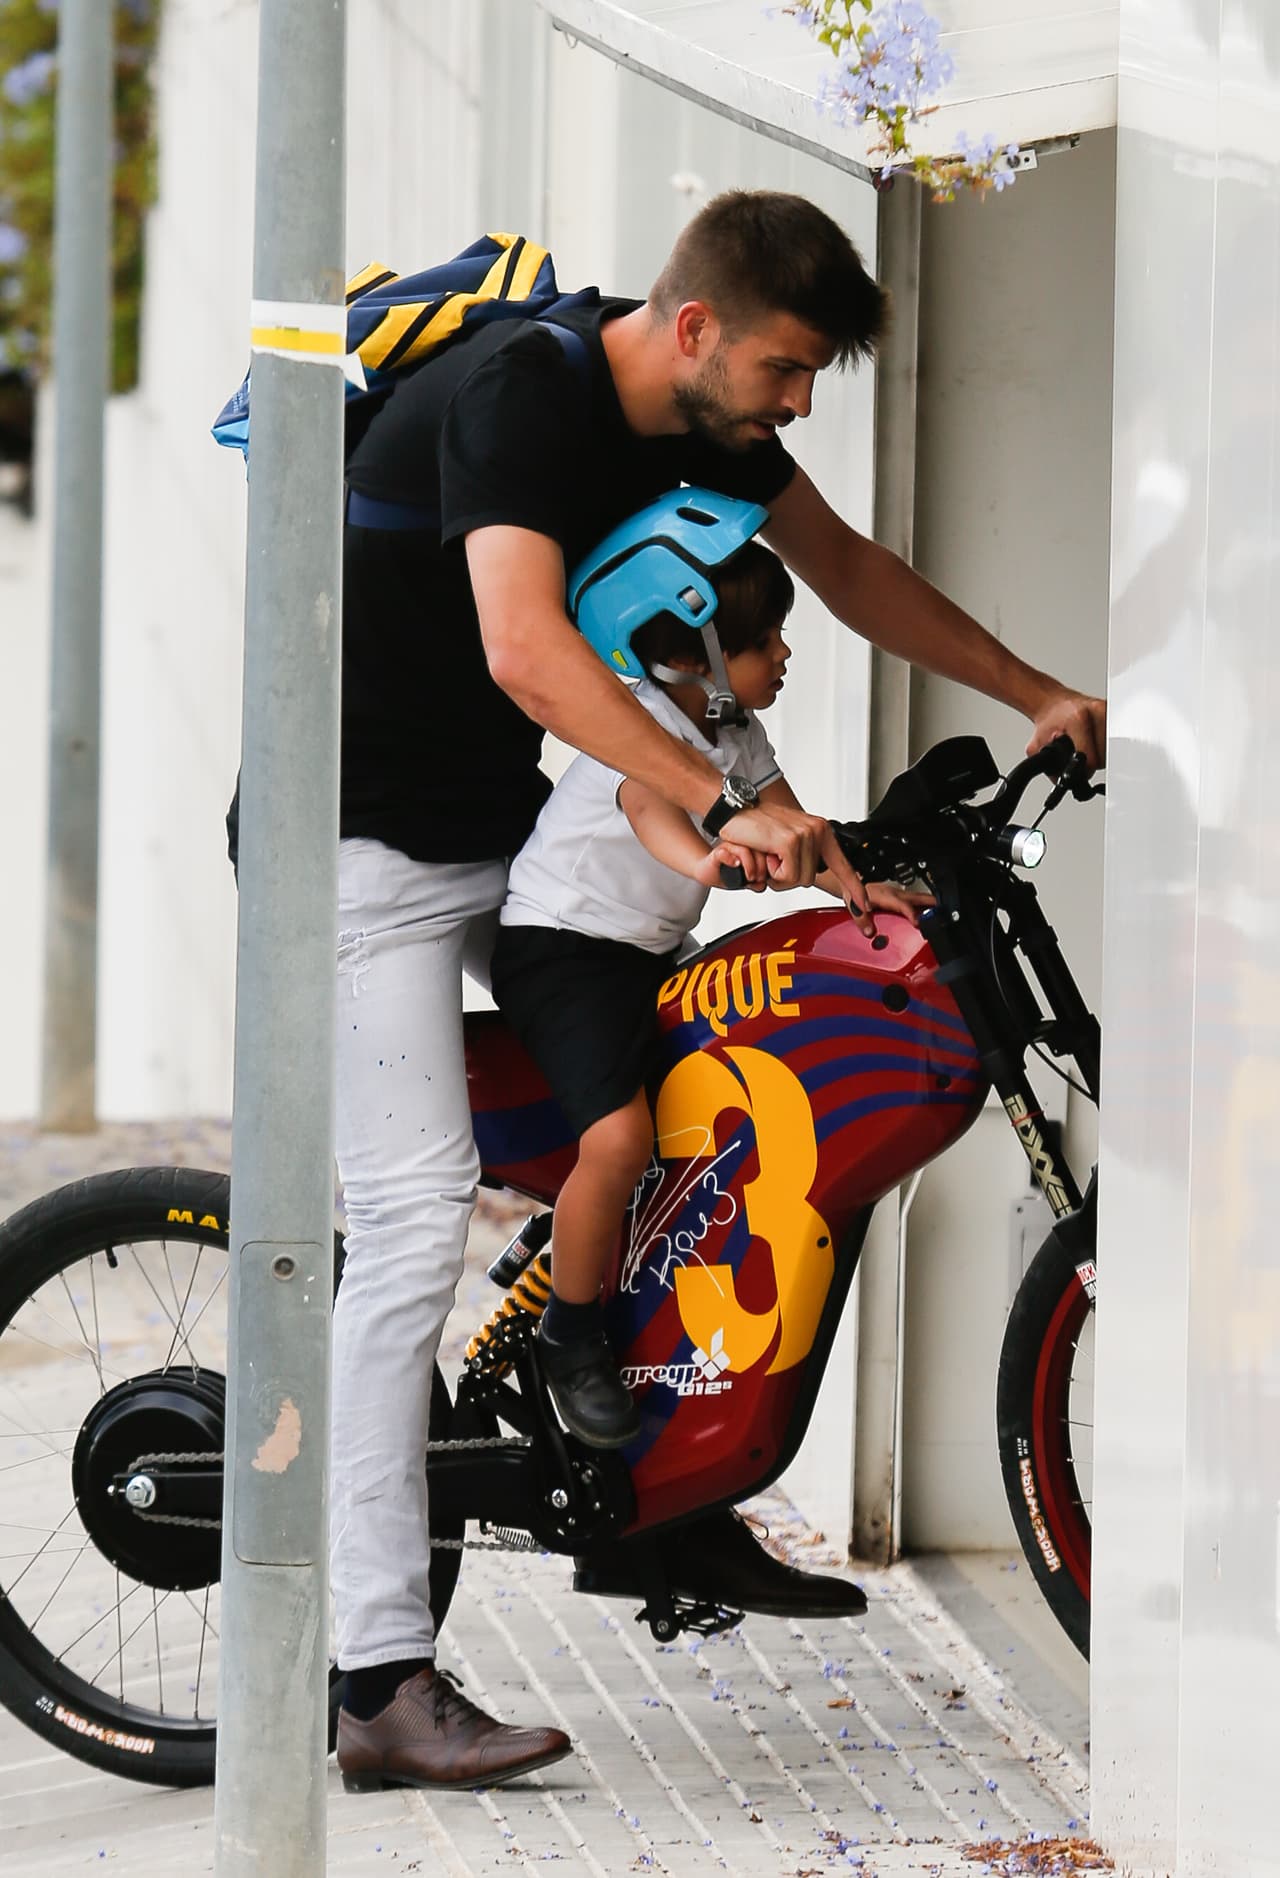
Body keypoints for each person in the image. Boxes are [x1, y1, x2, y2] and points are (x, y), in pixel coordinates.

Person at [319, 188, 1106, 1793]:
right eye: (789, 369)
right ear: (696, 330)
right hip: (366, 853)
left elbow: (853, 570)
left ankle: (658, 1500)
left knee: (713, 1085)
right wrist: (720, 794)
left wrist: (1036, 691)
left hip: (511, 845)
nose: (800, 404)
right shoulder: (520, 399)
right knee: (406, 1223)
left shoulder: (699, 421)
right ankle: (375, 1673)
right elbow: (528, 650)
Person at [490, 514, 926, 1448]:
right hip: (565, 949)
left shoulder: (738, 732)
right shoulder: (645, 728)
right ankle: (568, 1339)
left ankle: (606, 1277)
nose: (784, 651)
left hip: (643, 954)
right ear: (697, 657)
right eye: (764, 639)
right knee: (618, 1140)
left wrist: (868, 889)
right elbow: (654, 812)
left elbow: (796, 830)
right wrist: (706, 865)